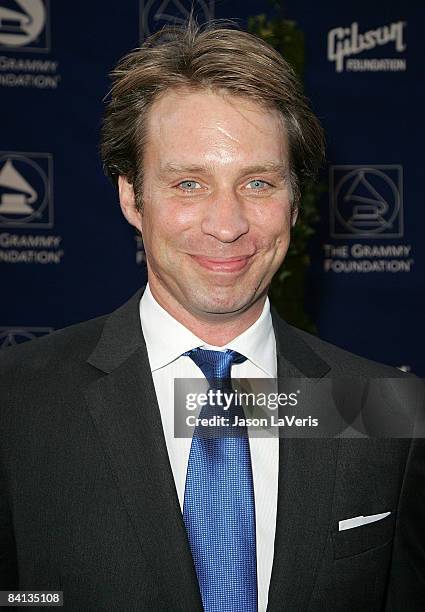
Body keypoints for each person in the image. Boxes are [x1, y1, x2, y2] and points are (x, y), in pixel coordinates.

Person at [0, 19, 424, 612]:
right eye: (189, 184)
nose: (227, 225)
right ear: (131, 195)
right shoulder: (16, 401)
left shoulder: (383, 408)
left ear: (295, 201)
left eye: (257, 182)